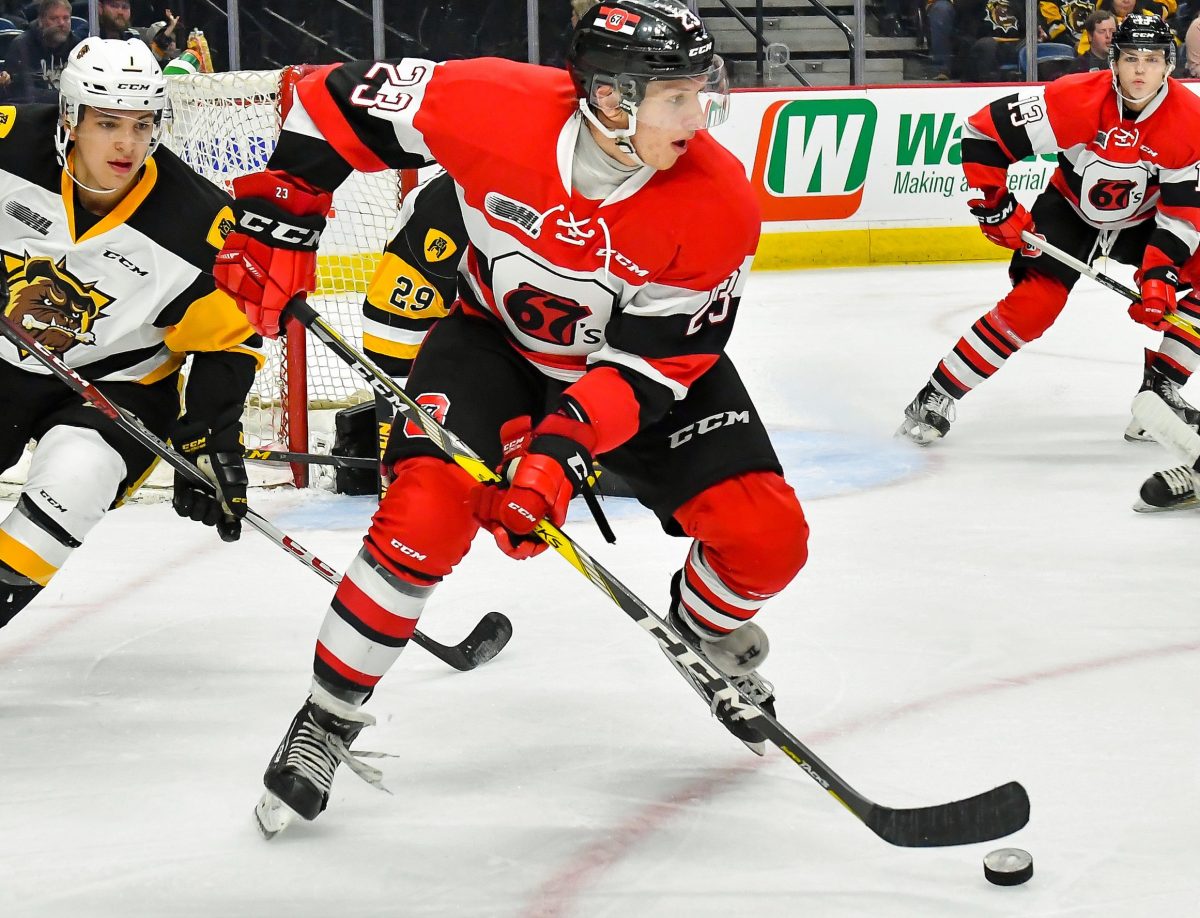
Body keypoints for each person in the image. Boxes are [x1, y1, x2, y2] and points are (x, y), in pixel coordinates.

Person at [214, 0, 809, 833]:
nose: (699, 115)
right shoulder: (489, 103)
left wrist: (560, 453)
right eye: (676, 96)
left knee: (767, 537)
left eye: (701, 91)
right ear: (610, 99)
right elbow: (333, 99)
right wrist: (284, 203)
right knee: (420, 515)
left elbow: (651, 366)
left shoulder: (718, 203)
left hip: (634, 375)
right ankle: (325, 717)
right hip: (492, 346)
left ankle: (702, 626)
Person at [0, 36, 264, 628]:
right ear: (71, 117)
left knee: (75, 479)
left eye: (144, 125)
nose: (128, 143)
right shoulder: (8, 143)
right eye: (109, 123)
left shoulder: (196, 221)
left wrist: (208, 433)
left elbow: (229, 342)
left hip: (115, 388)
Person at [898, 15, 1200, 446]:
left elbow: (1184, 210)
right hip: (1070, 211)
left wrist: (1160, 274)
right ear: (1112, 61)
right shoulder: (1074, 98)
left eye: (1151, 60)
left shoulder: (1191, 121)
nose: (1139, 70)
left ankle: (1160, 394)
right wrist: (996, 206)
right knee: (1035, 303)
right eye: (1130, 58)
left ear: (1169, 66)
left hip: (1142, 223)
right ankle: (936, 395)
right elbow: (983, 133)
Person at [0, 0, 77, 104]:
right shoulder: (22, 46)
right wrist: (65, 98)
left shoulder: (77, 47)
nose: (61, 23)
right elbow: (25, 95)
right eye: (54, 18)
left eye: (66, 18)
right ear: (41, 21)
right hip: (36, 115)